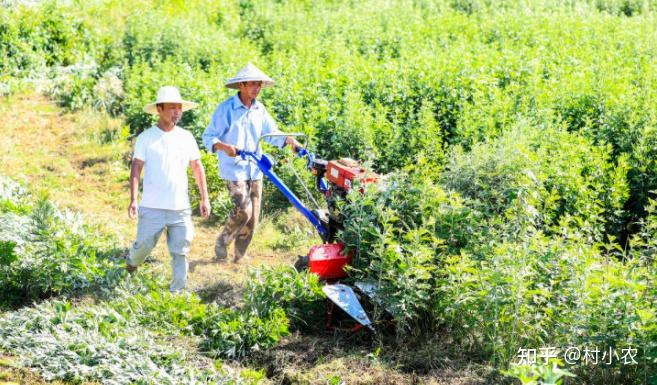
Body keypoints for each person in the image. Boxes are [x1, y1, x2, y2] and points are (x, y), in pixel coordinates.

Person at [202, 63, 302, 263]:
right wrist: (223, 147)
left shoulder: (259, 110)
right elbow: (208, 136)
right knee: (244, 211)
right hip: (234, 169)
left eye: (259, 85)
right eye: (252, 84)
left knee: (254, 216)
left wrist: (289, 140)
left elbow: (272, 133)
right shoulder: (226, 109)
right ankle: (222, 241)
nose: (257, 88)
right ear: (241, 85)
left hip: (256, 168)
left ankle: (240, 256)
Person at [126, 86, 210, 293]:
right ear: (159, 109)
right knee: (143, 247)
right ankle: (131, 263)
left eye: (179, 108)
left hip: (180, 208)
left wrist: (204, 198)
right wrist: (134, 199)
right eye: (172, 107)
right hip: (152, 206)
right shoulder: (147, 137)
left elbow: (197, 167)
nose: (177, 111)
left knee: (180, 251)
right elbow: (136, 167)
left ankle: (177, 293)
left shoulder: (186, 137)